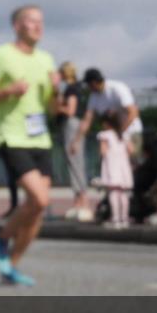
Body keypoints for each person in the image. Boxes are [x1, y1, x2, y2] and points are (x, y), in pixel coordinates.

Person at [0, 5, 59, 286]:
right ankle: (0, 238)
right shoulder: (2, 55)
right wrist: (7, 91)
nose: (38, 26)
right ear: (17, 26)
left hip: (41, 138)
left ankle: (10, 266)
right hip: (11, 136)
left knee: (37, 209)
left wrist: (57, 91)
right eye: (31, 21)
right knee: (40, 200)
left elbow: (51, 108)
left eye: (41, 21)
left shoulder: (47, 60)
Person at [57, 61, 91, 221]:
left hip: (71, 125)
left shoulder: (72, 89)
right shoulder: (80, 88)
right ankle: (78, 203)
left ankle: (83, 203)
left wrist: (58, 106)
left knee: (75, 162)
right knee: (75, 163)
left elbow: (70, 110)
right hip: (77, 124)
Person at [96, 111, 133, 229]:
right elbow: (131, 150)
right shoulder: (123, 135)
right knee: (123, 194)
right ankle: (124, 218)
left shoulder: (105, 135)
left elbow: (103, 151)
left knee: (113, 193)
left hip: (112, 166)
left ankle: (116, 219)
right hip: (123, 166)